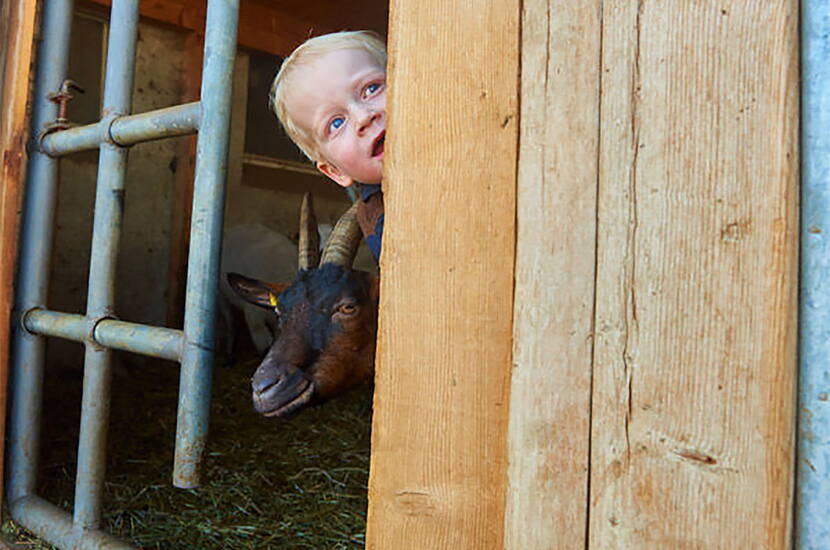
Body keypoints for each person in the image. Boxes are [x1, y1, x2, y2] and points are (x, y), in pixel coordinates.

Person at [269, 31, 386, 261]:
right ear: (335, 171)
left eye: (372, 89)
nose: (363, 117)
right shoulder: (380, 221)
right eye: (336, 123)